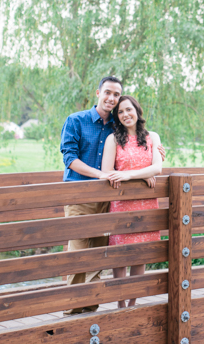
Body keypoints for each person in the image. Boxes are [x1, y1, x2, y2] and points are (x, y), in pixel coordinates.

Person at [59, 76, 164, 314]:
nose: (112, 98)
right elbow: (70, 159)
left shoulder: (115, 127)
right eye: (108, 93)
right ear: (98, 92)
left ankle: (89, 305)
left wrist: (149, 162)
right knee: (78, 250)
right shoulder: (77, 120)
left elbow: (135, 154)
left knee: (98, 250)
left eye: (116, 95)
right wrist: (103, 175)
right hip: (80, 195)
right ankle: (72, 306)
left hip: (108, 198)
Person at [101, 95, 163, 308]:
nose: (125, 114)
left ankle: (132, 303)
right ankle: (120, 304)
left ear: (137, 110)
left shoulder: (152, 137)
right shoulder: (113, 139)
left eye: (129, 110)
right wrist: (141, 175)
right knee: (120, 255)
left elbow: (157, 168)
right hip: (121, 204)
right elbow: (108, 172)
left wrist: (128, 174)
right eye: (120, 112)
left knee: (140, 254)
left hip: (146, 204)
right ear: (117, 117)